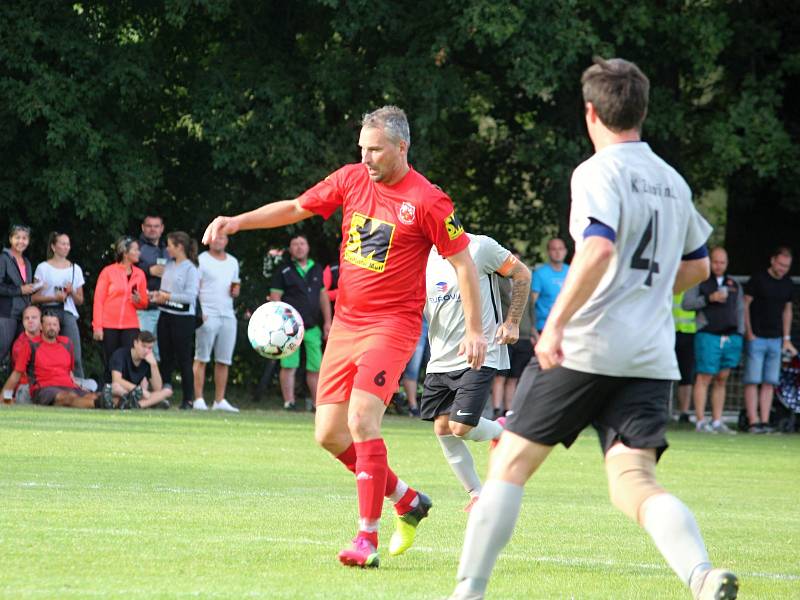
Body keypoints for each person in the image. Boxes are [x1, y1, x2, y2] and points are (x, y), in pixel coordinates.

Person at [449, 57, 738, 600]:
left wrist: (554, 323)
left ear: (590, 113)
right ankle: (701, 574)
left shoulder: (597, 171)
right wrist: (644, 293)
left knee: (508, 461)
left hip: (586, 345)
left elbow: (600, 247)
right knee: (635, 481)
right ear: (643, 110)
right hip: (650, 355)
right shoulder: (671, 181)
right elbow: (698, 266)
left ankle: (468, 591)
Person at [203, 105, 487, 569]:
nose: (367, 157)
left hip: (392, 324)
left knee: (360, 421)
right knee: (329, 434)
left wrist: (475, 330)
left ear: (402, 147)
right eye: (362, 149)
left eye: (375, 150)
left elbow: (462, 264)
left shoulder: (429, 200)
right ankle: (405, 498)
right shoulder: (352, 178)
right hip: (347, 323)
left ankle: (365, 538)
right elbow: (296, 207)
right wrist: (236, 222)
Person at [423, 234, 530, 513]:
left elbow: (521, 274)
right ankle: (477, 494)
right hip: (439, 358)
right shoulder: (420, 255)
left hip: (480, 351)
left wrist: (512, 322)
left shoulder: (479, 246)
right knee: (442, 429)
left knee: (460, 426)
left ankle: (503, 432)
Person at [682, 247, 743, 434]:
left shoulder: (734, 284)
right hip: (707, 334)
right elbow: (687, 304)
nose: (719, 266)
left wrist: (740, 332)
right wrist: (709, 298)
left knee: (722, 378)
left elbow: (740, 310)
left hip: (730, 337)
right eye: (715, 262)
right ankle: (701, 421)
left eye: (722, 262)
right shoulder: (700, 281)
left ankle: (717, 420)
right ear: (710, 261)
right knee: (704, 377)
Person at [269, 233, 332, 411]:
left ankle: (317, 404)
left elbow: (323, 296)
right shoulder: (283, 270)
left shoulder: (317, 268)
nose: (299, 247)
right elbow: (275, 298)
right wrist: (278, 324)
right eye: (295, 244)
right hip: (289, 327)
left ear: (308, 247)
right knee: (289, 365)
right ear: (290, 249)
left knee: (316, 366)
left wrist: (328, 321)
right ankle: (289, 402)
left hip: (313, 325)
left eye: (302, 243)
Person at [2, 311, 108, 409]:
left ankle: (107, 401)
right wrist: (4, 397)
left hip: (69, 386)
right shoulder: (30, 345)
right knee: (68, 397)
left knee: (92, 395)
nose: (51, 327)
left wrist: (79, 386)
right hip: (45, 388)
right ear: (41, 327)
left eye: (54, 324)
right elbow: (16, 374)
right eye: (48, 324)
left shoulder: (67, 344)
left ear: (59, 328)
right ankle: (99, 404)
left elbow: (69, 372)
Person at [742, 246, 797, 433]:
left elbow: (787, 311)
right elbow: (746, 305)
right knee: (752, 380)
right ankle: (753, 421)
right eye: (780, 264)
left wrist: (786, 338)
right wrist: (749, 332)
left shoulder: (787, 284)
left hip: (776, 339)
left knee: (770, 382)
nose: (782, 269)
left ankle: (765, 422)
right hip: (757, 337)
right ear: (773, 260)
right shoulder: (757, 279)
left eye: (786, 266)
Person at [193, 232, 241, 412]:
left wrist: (236, 292)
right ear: (209, 241)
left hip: (228, 314)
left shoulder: (233, 262)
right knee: (201, 357)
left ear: (226, 241)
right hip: (207, 313)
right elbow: (194, 288)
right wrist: (199, 312)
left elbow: (235, 285)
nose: (218, 241)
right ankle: (198, 399)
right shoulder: (201, 260)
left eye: (221, 238)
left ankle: (219, 401)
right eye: (215, 238)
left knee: (224, 360)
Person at [152, 231, 200, 410]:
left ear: (179, 247)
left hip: (183, 319)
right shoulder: (169, 265)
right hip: (165, 315)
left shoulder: (191, 268)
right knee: (166, 357)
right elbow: (165, 291)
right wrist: (158, 296)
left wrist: (167, 296)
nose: (167, 248)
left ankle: (188, 399)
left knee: (183, 359)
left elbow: (190, 296)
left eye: (170, 245)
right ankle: (164, 395)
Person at [92, 236, 149, 378]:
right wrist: (97, 326)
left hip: (130, 324)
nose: (138, 253)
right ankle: (108, 392)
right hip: (108, 323)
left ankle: (127, 393)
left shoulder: (140, 274)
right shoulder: (108, 271)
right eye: (135, 250)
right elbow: (98, 300)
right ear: (125, 253)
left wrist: (138, 300)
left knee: (129, 360)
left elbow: (144, 303)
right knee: (110, 360)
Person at [32, 232, 86, 378]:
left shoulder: (76, 269)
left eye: (67, 244)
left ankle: (79, 388)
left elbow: (80, 300)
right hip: (48, 312)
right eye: (62, 243)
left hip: (68, 311)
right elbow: (34, 298)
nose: (66, 247)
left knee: (74, 354)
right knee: (45, 352)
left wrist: (72, 292)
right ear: (53, 247)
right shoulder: (43, 268)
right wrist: (53, 297)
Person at [492, 252, 536, 418]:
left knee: (514, 377)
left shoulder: (526, 282)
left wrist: (534, 333)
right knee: (500, 375)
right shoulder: (498, 280)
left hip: (523, 334)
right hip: (502, 333)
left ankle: (508, 410)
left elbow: (531, 309)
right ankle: (496, 409)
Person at [105, 330, 173, 409]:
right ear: (135, 343)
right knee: (116, 387)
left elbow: (157, 388)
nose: (146, 351)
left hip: (135, 393)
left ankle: (138, 404)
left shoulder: (148, 360)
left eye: (150, 348)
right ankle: (151, 402)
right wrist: (139, 391)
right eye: (143, 346)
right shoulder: (120, 354)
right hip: (118, 390)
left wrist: (154, 365)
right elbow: (116, 379)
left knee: (167, 391)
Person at [0, 224, 36, 368]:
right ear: (10, 239)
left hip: (24, 315)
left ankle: (12, 390)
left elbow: (26, 288)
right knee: (2, 350)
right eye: (17, 238)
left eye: (25, 238)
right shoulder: (3, 258)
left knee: (19, 356)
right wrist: (20, 290)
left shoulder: (27, 262)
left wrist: (35, 287)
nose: (21, 241)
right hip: (6, 313)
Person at [136, 215, 168, 358]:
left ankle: (157, 380)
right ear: (143, 227)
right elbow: (127, 269)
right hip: (144, 307)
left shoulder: (167, 249)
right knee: (144, 348)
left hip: (166, 307)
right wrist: (149, 270)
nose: (152, 229)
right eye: (149, 226)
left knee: (159, 351)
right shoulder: (137, 247)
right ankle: (140, 380)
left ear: (162, 229)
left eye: (156, 226)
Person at [530, 238, 569, 336]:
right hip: (545, 328)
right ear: (548, 252)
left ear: (565, 251)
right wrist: (532, 330)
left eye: (560, 249)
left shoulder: (572, 271)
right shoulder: (539, 274)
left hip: (569, 327)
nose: (557, 252)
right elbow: (530, 304)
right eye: (554, 249)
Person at [7, 304, 42, 404]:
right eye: (27, 318)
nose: (30, 320)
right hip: (27, 387)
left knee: (90, 384)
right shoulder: (20, 345)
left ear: (41, 322)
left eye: (34, 317)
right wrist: (6, 398)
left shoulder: (47, 339)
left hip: (49, 384)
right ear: (23, 322)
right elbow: (18, 376)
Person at [672, 291, 696, 424]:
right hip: (669, 330)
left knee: (687, 375)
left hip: (689, 332)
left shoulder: (694, 283)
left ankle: (684, 412)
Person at [400, 318, 428, 417]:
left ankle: (434, 407)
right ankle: (413, 407)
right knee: (412, 369)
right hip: (417, 321)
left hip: (436, 321)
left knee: (437, 369)